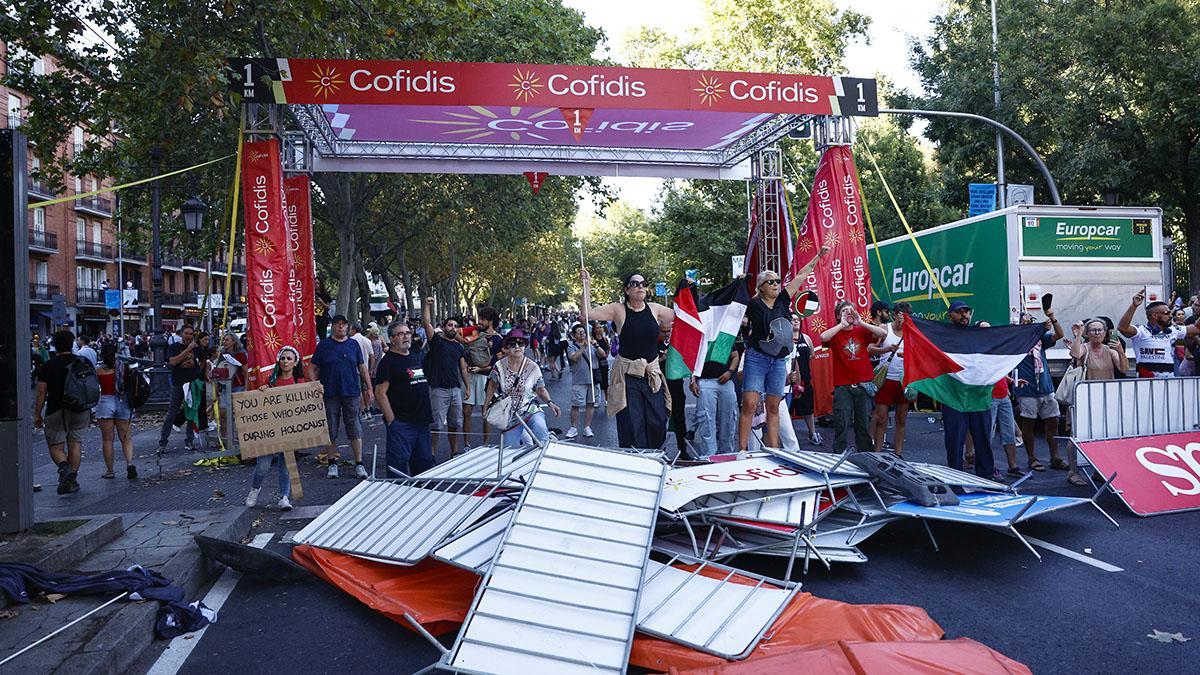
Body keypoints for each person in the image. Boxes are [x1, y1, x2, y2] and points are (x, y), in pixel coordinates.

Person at [738, 248, 830, 451]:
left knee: (774, 407)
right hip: (757, 358)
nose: (776, 284)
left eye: (778, 281)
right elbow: (735, 309)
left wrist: (818, 256)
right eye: (771, 281)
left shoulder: (783, 300)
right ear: (761, 287)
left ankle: (773, 450)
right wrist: (741, 281)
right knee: (750, 405)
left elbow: (801, 276)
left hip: (779, 360)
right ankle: (742, 451)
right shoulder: (753, 305)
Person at [581, 269, 675, 449]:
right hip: (628, 377)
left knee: (658, 419)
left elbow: (685, 315)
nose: (640, 287)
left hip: (651, 374)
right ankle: (638, 461)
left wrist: (689, 290)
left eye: (643, 284)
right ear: (626, 290)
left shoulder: (655, 309)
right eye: (635, 284)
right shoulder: (618, 310)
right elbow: (587, 315)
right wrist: (586, 285)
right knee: (633, 423)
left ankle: (654, 454)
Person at [307, 314, 373, 479]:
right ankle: (332, 463)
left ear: (348, 327)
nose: (340, 327)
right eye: (337, 324)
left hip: (351, 391)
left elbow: (362, 367)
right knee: (331, 429)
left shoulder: (354, 344)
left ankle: (359, 463)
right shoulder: (324, 345)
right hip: (330, 393)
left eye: (343, 324)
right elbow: (311, 367)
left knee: (355, 427)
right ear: (333, 326)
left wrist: (369, 388)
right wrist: (315, 384)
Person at [820, 299, 888, 454]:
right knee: (841, 423)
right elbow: (823, 337)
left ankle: (866, 456)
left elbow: (883, 333)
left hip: (863, 384)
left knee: (863, 424)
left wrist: (861, 322)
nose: (849, 313)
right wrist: (842, 324)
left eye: (851, 310)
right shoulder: (836, 333)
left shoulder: (861, 331)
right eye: (844, 311)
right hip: (843, 386)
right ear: (838, 315)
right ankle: (838, 456)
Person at [246, 346, 308, 510]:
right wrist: (262, 391)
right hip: (270, 431)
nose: (285, 361)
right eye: (283, 358)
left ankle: (284, 497)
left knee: (286, 466)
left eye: (289, 359)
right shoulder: (270, 381)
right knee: (263, 466)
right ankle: (254, 489)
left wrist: (317, 393)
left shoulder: (300, 383)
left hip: (290, 431)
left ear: (295, 363)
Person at [374, 321, 435, 477]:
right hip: (402, 424)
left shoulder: (415, 356)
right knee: (398, 469)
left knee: (424, 466)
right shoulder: (388, 362)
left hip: (422, 421)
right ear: (392, 339)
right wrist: (391, 421)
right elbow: (380, 393)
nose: (406, 337)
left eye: (408, 333)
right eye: (401, 334)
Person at [34, 330, 90, 494]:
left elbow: (41, 393)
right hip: (80, 408)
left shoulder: (48, 366)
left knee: (55, 446)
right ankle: (72, 480)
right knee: (75, 444)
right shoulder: (82, 361)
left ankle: (65, 469)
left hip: (56, 409)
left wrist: (37, 414)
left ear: (54, 345)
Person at [1013, 308, 1067, 474]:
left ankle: (1055, 457)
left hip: (1046, 389)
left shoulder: (1040, 339)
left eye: (1030, 320)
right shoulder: (1016, 341)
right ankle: (1032, 458)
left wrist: (1052, 317)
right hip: (1027, 390)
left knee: (1053, 423)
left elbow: (1059, 334)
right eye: (1025, 320)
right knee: (1028, 425)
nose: (1028, 322)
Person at [484, 332, 560, 448]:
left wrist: (550, 403)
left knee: (541, 433)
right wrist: (486, 406)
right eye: (513, 344)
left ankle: (544, 456)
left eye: (520, 343)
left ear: (524, 346)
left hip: (530, 409)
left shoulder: (533, 367)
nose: (517, 347)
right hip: (510, 415)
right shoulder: (499, 366)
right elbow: (492, 386)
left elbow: (540, 389)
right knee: (509, 449)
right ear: (507, 348)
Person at [420, 297, 471, 460]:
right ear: (443, 327)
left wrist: (467, 387)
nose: (453, 328)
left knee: (455, 423)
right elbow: (426, 322)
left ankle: (454, 451)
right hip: (438, 389)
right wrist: (427, 305)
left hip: (455, 389)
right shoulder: (436, 342)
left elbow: (462, 368)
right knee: (436, 425)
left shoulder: (458, 346)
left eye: (455, 326)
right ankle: (431, 454)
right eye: (450, 325)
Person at [1118, 286, 1200, 377]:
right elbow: (1122, 328)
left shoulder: (1173, 330)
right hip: (1146, 386)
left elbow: (1196, 329)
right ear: (1155, 315)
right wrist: (1134, 306)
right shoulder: (1142, 331)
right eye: (1166, 313)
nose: (1170, 316)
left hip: (1168, 385)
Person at [870, 302, 912, 457]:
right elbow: (869, 349)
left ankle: (898, 454)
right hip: (886, 378)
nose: (902, 321)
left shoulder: (911, 332)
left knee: (901, 419)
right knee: (881, 418)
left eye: (905, 319)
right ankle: (877, 452)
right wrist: (886, 349)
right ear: (895, 315)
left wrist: (907, 356)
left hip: (904, 380)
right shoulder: (884, 329)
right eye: (900, 317)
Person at [690, 334, 742, 458]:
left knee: (729, 420)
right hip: (705, 380)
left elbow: (735, 356)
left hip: (726, 381)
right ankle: (709, 455)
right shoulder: (700, 334)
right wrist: (692, 380)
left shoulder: (725, 333)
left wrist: (729, 372)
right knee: (706, 421)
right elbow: (692, 358)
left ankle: (727, 454)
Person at [159, 325, 204, 453]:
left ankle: (189, 441)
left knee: (191, 411)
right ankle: (163, 442)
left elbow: (203, 360)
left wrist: (199, 372)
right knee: (172, 413)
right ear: (181, 334)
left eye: (191, 333)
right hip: (178, 383)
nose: (188, 336)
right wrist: (187, 350)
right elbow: (173, 362)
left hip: (193, 383)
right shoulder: (174, 347)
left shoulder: (197, 348)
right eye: (186, 333)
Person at [95, 343, 137, 480]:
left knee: (107, 439)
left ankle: (110, 470)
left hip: (105, 402)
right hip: (123, 401)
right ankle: (130, 464)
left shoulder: (98, 369)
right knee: (126, 438)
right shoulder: (123, 367)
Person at [462, 307, 503, 441]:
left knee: (485, 412)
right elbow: (460, 338)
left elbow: (498, 364)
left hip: (486, 379)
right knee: (466, 411)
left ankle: (486, 444)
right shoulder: (474, 332)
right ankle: (467, 444)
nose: (479, 321)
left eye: (482, 319)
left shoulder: (499, 339)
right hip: (468, 376)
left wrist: (480, 369)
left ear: (490, 321)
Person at [566, 323, 606, 439]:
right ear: (574, 335)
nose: (582, 334)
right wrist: (583, 347)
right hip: (579, 380)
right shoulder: (571, 346)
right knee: (576, 405)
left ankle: (587, 427)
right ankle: (573, 428)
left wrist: (596, 346)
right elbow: (573, 357)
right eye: (579, 332)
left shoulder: (592, 345)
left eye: (583, 332)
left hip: (593, 380)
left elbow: (603, 355)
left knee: (591, 404)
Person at [789, 315, 820, 446]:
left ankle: (812, 433)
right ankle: (788, 436)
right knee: (787, 410)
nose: (796, 321)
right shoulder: (786, 339)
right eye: (792, 319)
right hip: (788, 381)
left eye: (798, 319)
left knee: (808, 409)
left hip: (805, 381)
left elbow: (811, 354)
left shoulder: (806, 338)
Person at [591, 322, 611, 403]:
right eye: (598, 327)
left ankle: (607, 399)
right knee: (596, 381)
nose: (600, 329)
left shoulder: (605, 339)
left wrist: (606, 354)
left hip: (603, 363)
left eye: (601, 327)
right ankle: (596, 399)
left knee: (605, 382)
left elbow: (608, 348)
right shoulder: (593, 340)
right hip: (595, 362)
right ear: (594, 330)